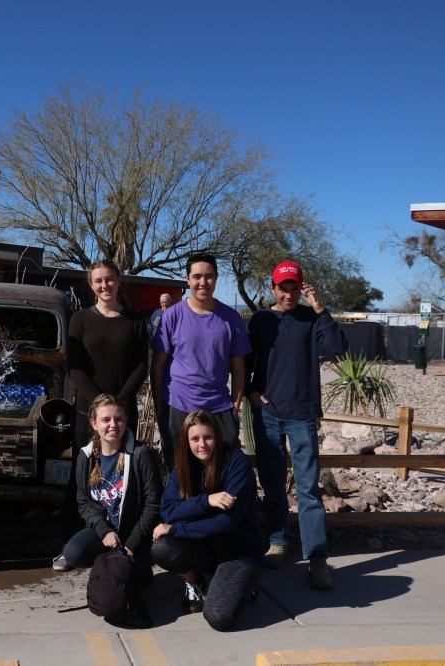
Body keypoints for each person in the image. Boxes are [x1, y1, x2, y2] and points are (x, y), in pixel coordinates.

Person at [245, 261, 347, 590]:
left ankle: (317, 558)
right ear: (272, 288)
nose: (288, 294)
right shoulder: (261, 319)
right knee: (273, 485)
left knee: (309, 491)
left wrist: (321, 309)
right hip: (268, 413)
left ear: (301, 288)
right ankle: (278, 542)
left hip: (302, 413)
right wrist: (251, 390)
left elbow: (338, 348)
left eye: (293, 288)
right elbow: (247, 361)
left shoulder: (310, 318)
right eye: (282, 288)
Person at [56, 260, 149, 571]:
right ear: (91, 284)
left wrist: (118, 405)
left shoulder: (135, 321)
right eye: (98, 281)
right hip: (88, 413)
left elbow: (141, 366)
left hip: (123, 413)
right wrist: (100, 406)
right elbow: (75, 366)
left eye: (109, 279)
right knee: (84, 474)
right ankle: (76, 538)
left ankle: (126, 539)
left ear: (119, 280)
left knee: (125, 474)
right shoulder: (80, 319)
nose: (104, 285)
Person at [151, 410, 263, 631]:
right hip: (205, 548)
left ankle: (244, 586)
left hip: (238, 552)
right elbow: (168, 510)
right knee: (162, 548)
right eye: (195, 439)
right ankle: (199, 583)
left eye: (208, 437)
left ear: (217, 436)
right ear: (187, 441)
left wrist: (175, 529)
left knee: (218, 618)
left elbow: (225, 522)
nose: (202, 444)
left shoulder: (235, 463)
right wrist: (207, 501)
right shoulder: (184, 465)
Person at [150, 253, 250, 472]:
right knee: (179, 474)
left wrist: (235, 406)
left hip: (219, 407)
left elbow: (238, 368)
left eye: (209, 276)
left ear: (216, 278)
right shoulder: (172, 316)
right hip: (177, 406)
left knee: (220, 473)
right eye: (197, 276)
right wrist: (160, 409)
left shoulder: (231, 318)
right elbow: (157, 365)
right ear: (187, 279)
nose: (203, 282)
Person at [64, 394, 160, 589]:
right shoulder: (86, 457)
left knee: (132, 586)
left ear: (126, 420)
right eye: (105, 420)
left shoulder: (141, 455)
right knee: (73, 553)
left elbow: (153, 504)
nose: (113, 425)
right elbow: (83, 503)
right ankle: (107, 560)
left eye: (118, 419)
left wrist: (132, 544)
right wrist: (104, 530)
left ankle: (139, 566)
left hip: (135, 534)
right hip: (106, 533)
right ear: (93, 423)